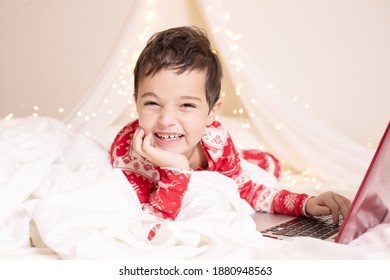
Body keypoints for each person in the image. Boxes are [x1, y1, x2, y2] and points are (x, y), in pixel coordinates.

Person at [110, 26, 350, 240]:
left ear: (212, 112)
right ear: (136, 102)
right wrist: (176, 170)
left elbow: (244, 189)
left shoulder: (215, 138)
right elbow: (153, 224)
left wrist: (306, 203)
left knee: (269, 165)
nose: (166, 120)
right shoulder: (130, 156)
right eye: (152, 103)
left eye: (187, 105)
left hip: (230, 160)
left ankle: (252, 157)